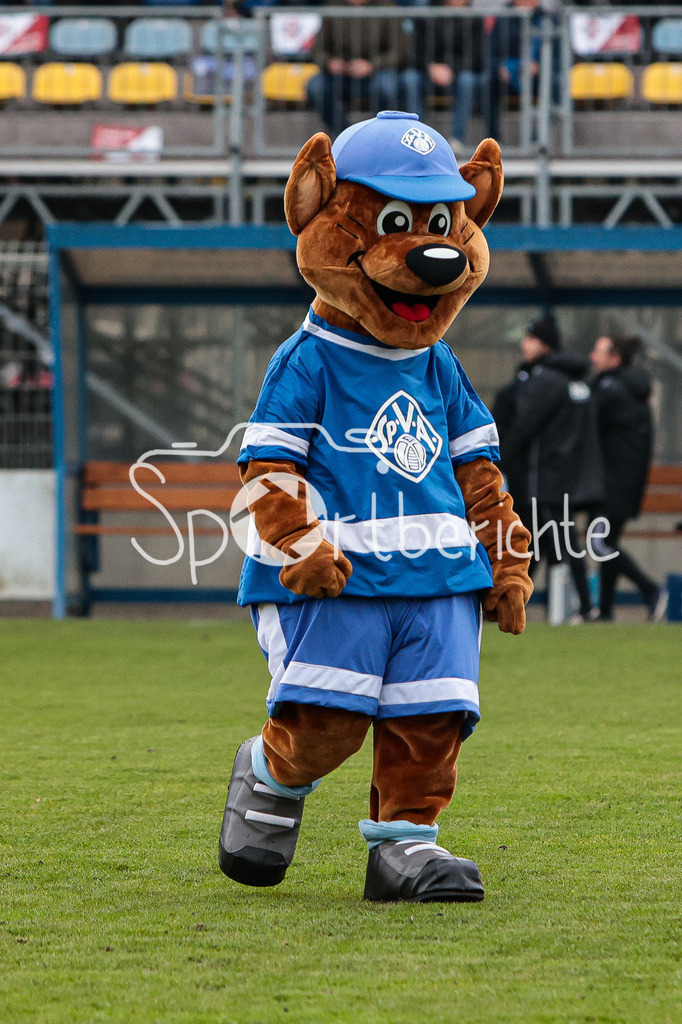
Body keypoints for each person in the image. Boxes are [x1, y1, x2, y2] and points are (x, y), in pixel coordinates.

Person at [494, 314, 604, 622]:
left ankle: (530, 606)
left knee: (542, 541)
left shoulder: (546, 379)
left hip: (545, 477)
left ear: (543, 343)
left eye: (529, 339)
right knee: (557, 542)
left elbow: (525, 426)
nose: (523, 345)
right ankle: (581, 607)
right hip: (569, 476)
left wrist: (497, 458)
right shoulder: (577, 381)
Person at [588, 334, 666, 621]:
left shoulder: (611, 390)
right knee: (608, 542)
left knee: (600, 543)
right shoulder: (630, 389)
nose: (592, 358)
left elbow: (584, 419)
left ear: (614, 358)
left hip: (614, 483)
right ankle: (606, 611)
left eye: (598, 352)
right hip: (625, 482)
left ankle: (650, 589)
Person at [307, 0, 421, 135]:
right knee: (316, 87)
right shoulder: (333, 7)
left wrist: (371, 65)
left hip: (377, 73)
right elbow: (318, 49)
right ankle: (345, 135)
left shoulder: (388, 8)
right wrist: (330, 63)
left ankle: (381, 135)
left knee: (386, 86)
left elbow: (399, 51)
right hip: (341, 75)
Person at [412, 0, 498, 150]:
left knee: (468, 81)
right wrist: (430, 67)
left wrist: (451, 69)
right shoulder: (427, 15)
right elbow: (414, 50)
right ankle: (418, 136)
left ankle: (457, 139)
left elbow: (476, 55)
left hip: (459, 73)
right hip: (428, 73)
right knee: (409, 79)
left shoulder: (474, 18)